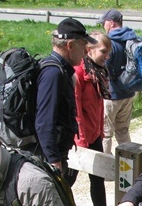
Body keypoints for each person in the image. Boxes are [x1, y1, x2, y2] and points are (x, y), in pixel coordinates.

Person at [35, 17, 96, 175]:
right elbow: (44, 122)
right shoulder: (54, 74)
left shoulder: (58, 70)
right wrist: (54, 162)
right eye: (83, 45)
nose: (85, 51)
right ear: (70, 45)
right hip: (49, 159)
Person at [69, 31, 110, 206]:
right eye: (103, 52)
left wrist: (100, 132)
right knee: (68, 178)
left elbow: (99, 106)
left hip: (94, 135)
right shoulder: (78, 74)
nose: (106, 57)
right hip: (79, 138)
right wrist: (82, 141)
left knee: (98, 178)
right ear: (89, 50)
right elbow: (76, 109)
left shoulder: (98, 74)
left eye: (109, 53)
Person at [100, 9, 138, 153]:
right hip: (129, 92)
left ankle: (105, 170)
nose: (103, 26)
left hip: (112, 94)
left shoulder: (109, 42)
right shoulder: (131, 38)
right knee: (123, 131)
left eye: (104, 23)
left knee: (106, 133)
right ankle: (130, 166)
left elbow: (105, 68)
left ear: (111, 23)